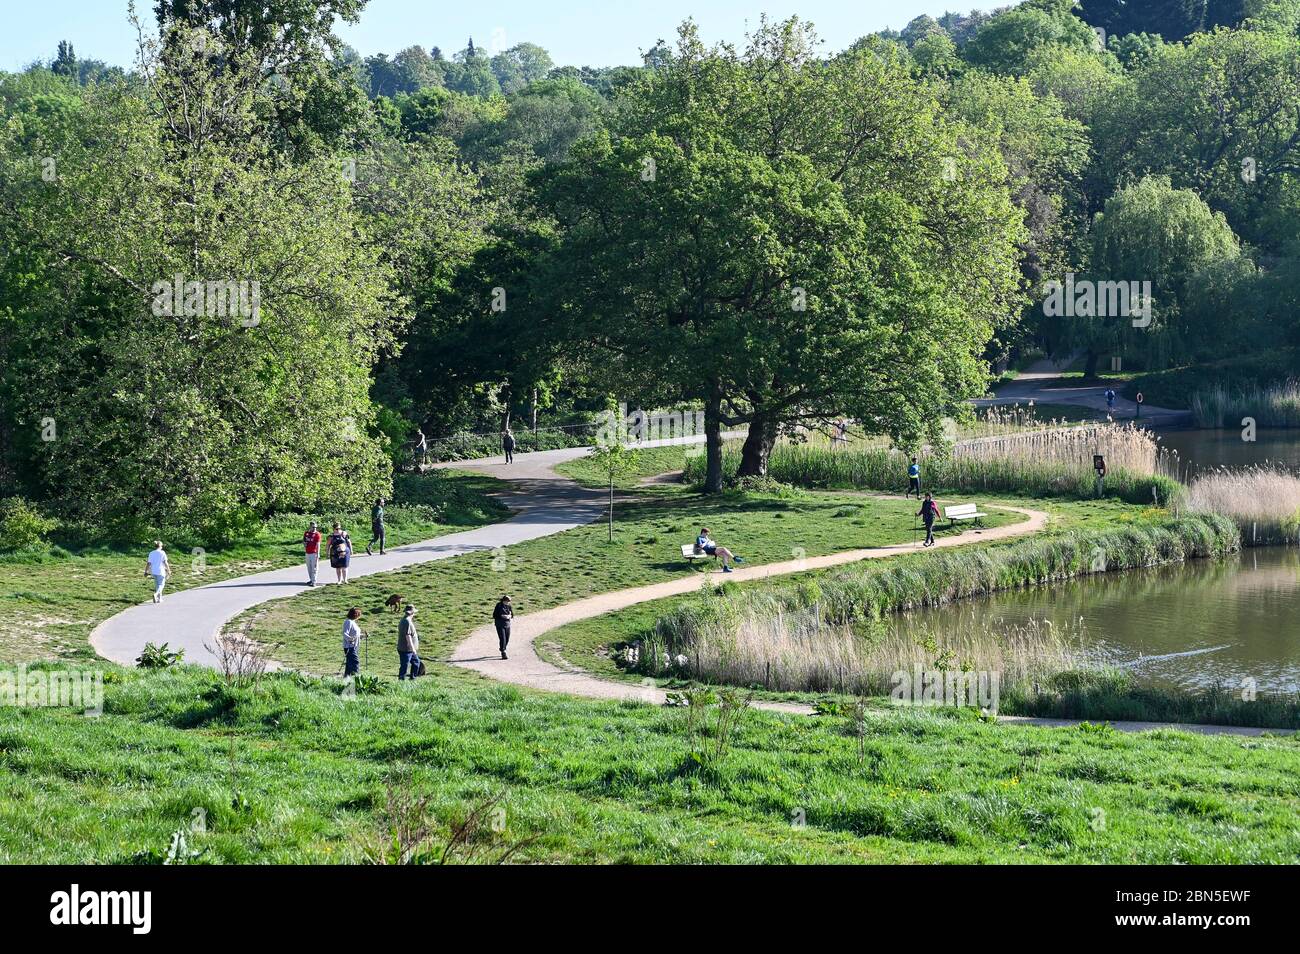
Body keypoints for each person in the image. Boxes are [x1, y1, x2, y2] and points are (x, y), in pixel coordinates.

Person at [397, 605, 421, 680]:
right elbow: (408, 636)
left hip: (407, 649)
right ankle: (402, 681)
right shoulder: (407, 622)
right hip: (406, 649)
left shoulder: (405, 620)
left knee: (416, 663)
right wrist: (413, 648)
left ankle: (412, 679)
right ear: (412, 613)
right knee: (405, 665)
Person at [342, 607, 363, 677]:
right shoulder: (348, 622)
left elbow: (356, 635)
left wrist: (363, 636)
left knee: (349, 664)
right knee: (355, 663)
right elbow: (345, 633)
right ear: (355, 614)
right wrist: (350, 639)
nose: (360, 616)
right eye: (359, 614)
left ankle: (346, 680)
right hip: (350, 647)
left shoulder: (353, 622)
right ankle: (356, 679)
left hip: (354, 647)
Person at [493, 595, 514, 660]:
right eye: (507, 601)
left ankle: (503, 648)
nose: (508, 603)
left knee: (507, 638)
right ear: (504, 600)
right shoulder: (498, 606)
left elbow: (512, 614)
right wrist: (502, 616)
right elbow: (494, 615)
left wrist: (510, 617)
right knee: (503, 638)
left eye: (509, 601)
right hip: (500, 624)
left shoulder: (509, 606)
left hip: (507, 624)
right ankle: (503, 652)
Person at [303, 521, 322, 586]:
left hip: (314, 553)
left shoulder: (317, 534)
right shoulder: (306, 533)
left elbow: (318, 544)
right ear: (310, 526)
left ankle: (314, 582)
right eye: (313, 527)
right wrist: (304, 544)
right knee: (309, 567)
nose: (314, 528)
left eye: (315, 527)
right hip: (307, 552)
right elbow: (304, 541)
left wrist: (318, 553)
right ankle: (311, 579)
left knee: (314, 567)